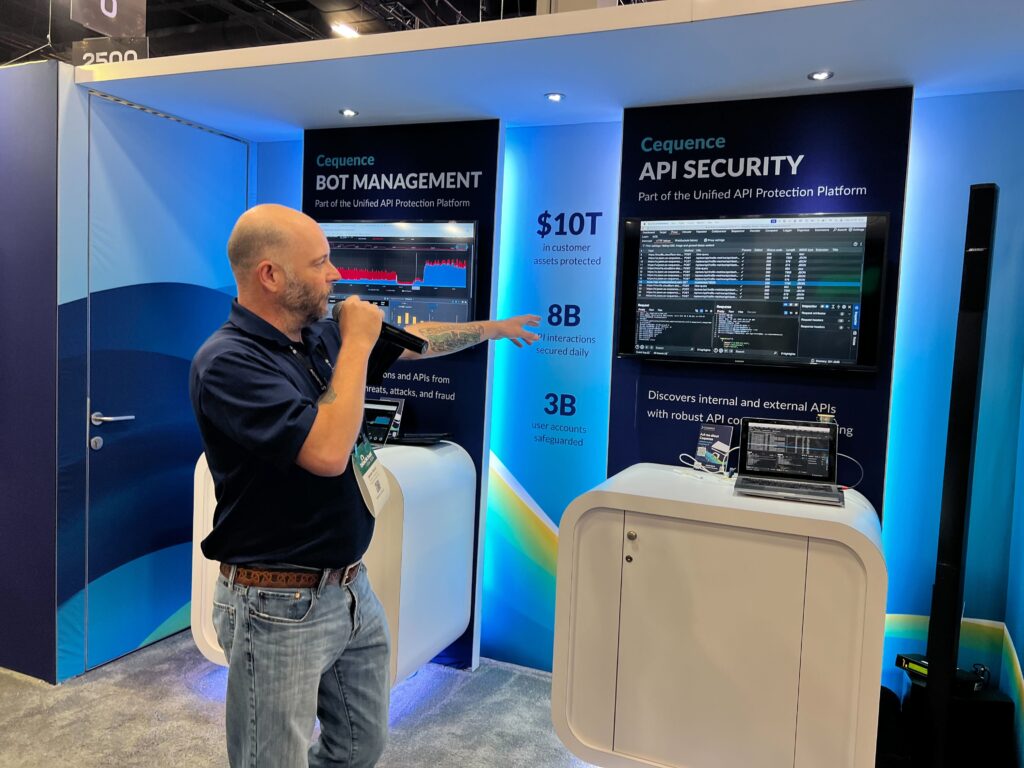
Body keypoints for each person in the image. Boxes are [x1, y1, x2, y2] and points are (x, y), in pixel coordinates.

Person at [189, 203, 540, 768]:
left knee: (359, 744)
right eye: (321, 262)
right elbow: (327, 453)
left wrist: (491, 330)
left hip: (348, 588)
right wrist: (354, 345)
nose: (336, 275)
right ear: (271, 276)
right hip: (275, 601)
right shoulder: (229, 361)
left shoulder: (315, 338)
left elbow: (418, 338)